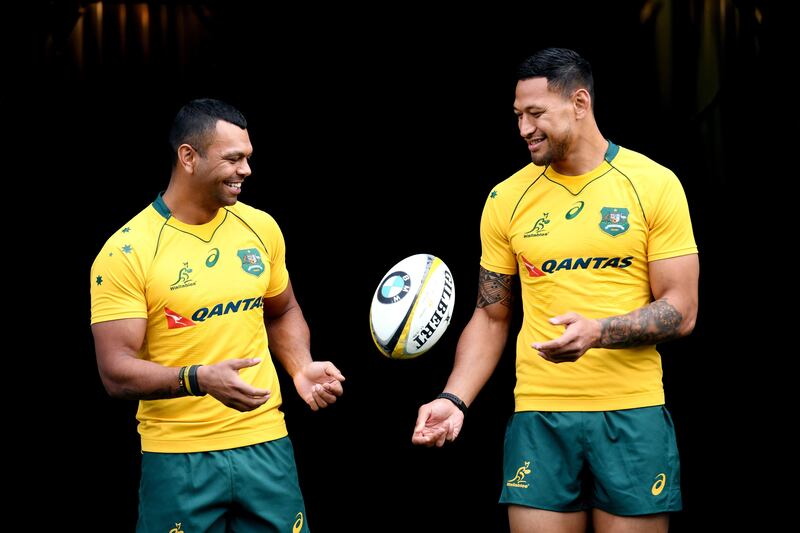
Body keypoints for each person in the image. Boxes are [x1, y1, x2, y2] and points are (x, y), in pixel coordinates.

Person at [412, 48, 698, 533]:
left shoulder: (653, 184)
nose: (524, 128)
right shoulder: (507, 197)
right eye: (518, 115)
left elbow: (681, 310)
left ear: (580, 103)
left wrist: (599, 332)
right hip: (540, 416)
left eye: (536, 114)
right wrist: (453, 399)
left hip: (630, 413)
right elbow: (491, 316)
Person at [90, 98, 345, 532]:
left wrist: (300, 367)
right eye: (233, 159)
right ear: (188, 157)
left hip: (266, 444)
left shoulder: (260, 227)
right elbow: (115, 372)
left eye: (248, 157)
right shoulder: (127, 250)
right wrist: (198, 379)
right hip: (178, 457)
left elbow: (283, 311)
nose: (246, 170)